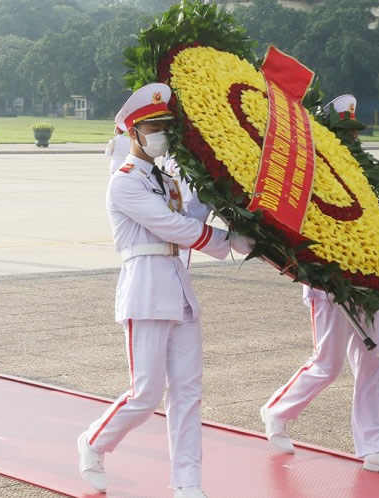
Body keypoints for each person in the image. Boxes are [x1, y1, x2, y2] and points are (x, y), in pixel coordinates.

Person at [76, 83, 253, 498]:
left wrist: (221, 190)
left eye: (164, 127)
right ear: (132, 133)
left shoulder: (168, 181)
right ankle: (94, 442)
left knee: (188, 392)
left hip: (178, 288)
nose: (161, 134)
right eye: (153, 127)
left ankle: (188, 483)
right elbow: (171, 225)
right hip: (145, 290)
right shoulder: (124, 183)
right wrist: (228, 242)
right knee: (145, 394)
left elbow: (192, 212)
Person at [260, 94, 379, 474]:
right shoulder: (311, 173)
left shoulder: (360, 174)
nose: (351, 141)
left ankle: (375, 446)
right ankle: (277, 410)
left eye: (353, 134)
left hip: (364, 279)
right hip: (328, 283)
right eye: (344, 134)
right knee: (327, 364)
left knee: (371, 362)